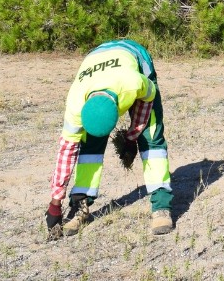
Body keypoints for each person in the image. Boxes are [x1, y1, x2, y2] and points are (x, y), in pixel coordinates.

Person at [45, 39, 173, 239]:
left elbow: (147, 102)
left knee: (151, 135)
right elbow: (66, 154)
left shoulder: (133, 83)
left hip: (134, 55)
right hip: (96, 57)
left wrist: (132, 137)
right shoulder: (75, 104)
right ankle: (80, 204)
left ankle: (161, 205)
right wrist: (55, 203)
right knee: (90, 147)